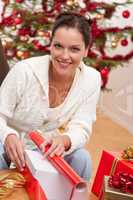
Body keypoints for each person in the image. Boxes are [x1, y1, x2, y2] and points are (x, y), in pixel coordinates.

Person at [0, 12, 101, 181]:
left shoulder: (91, 79)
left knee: (82, 159)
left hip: (46, 151)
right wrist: (8, 135)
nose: (64, 56)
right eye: (58, 46)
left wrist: (65, 140)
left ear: (86, 51)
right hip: (8, 147)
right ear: (50, 44)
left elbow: (82, 125)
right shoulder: (24, 71)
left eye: (74, 49)